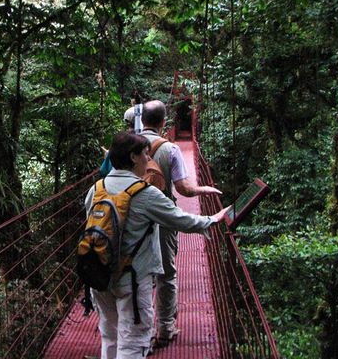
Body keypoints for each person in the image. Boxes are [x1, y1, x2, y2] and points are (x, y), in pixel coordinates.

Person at [85, 132, 230, 359]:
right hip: (132, 279)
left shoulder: (97, 188)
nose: (149, 161)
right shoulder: (145, 193)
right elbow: (182, 219)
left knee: (110, 337)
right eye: (145, 154)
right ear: (133, 158)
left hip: (98, 275)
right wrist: (213, 219)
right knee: (134, 341)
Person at [140, 99, 221, 348]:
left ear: (141, 120)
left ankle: (135, 330)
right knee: (166, 271)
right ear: (164, 122)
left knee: (135, 271)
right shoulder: (171, 150)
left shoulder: (125, 146)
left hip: (131, 215)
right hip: (163, 216)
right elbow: (183, 189)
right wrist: (203, 189)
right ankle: (165, 327)